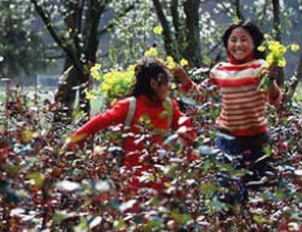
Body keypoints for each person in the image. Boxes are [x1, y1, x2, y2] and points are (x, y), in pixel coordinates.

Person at [173, 20, 282, 204]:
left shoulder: (261, 68)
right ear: (227, 43)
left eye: (244, 40)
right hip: (226, 139)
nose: (238, 45)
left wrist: (271, 82)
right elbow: (200, 96)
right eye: (233, 40)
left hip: (257, 140)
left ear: (254, 43)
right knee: (227, 189)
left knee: (258, 188)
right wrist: (185, 80)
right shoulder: (219, 70)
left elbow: (274, 100)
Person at [62, 59, 196, 192]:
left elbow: (188, 132)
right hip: (134, 181)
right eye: (166, 83)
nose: (169, 88)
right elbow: (98, 122)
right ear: (153, 84)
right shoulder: (130, 105)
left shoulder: (170, 107)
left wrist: (194, 161)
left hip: (162, 181)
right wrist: (71, 142)